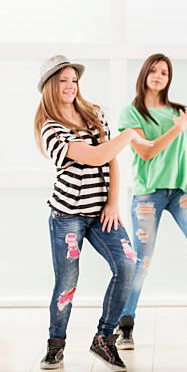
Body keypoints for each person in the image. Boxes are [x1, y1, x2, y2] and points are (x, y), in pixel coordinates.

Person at [34, 55, 151, 371]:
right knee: (67, 284)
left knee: (127, 264)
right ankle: (55, 345)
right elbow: (96, 155)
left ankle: (104, 339)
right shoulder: (50, 127)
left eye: (74, 80)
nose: (71, 86)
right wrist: (129, 135)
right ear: (49, 86)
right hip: (67, 216)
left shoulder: (95, 113)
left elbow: (111, 161)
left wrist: (113, 202)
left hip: (102, 212)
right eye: (63, 80)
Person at [114, 53, 187, 351]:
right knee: (142, 260)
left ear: (168, 78)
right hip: (148, 194)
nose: (158, 76)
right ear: (144, 75)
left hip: (183, 192)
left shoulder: (180, 111)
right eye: (153, 70)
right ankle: (125, 325)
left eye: (164, 72)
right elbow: (146, 153)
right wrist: (176, 128)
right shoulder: (131, 113)